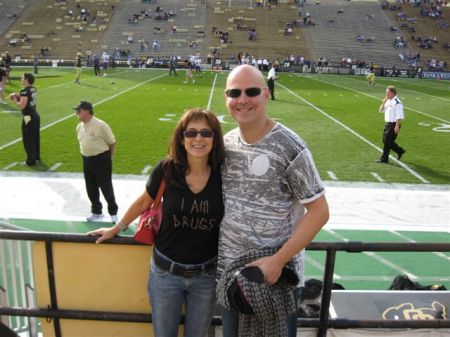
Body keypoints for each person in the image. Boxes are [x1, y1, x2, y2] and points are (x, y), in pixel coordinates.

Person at [87, 108, 225, 337]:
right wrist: (116, 228)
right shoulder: (167, 168)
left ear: (214, 138)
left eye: (205, 133)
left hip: (206, 276)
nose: (198, 138)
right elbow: (144, 202)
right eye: (191, 133)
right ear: (181, 138)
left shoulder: (224, 173)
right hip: (166, 274)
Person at [218, 65, 329, 337]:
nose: (243, 99)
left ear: (266, 94)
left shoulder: (290, 146)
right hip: (231, 277)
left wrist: (277, 261)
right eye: (235, 93)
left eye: (251, 91)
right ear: (226, 98)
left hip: (275, 279)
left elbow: (319, 211)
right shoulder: (226, 143)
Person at [74, 101, 119, 222]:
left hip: (101, 159)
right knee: (91, 187)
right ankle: (96, 211)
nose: (76, 113)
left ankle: (113, 212)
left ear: (87, 111)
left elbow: (112, 142)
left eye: (79, 111)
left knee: (106, 187)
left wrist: (108, 158)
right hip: (86, 159)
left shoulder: (100, 125)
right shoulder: (79, 127)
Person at [10, 73, 41, 166]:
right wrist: (17, 94)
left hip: (28, 117)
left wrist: (15, 100)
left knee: (28, 139)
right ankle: (36, 157)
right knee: (35, 138)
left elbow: (22, 106)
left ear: (26, 79)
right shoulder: (33, 88)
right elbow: (26, 96)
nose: (21, 79)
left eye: (22, 78)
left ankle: (30, 161)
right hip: (35, 116)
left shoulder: (25, 91)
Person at [377, 86, 405, 163]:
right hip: (388, 124)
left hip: (394, 124)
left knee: (387, 142)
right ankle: (400, 151)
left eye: (387, 92)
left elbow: (399, 115)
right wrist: (383, 102)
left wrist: (397, 126)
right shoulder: (388, 101)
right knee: (386, 141)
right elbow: (381, 110)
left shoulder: (397, 102)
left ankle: (384, 159)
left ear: (392, 93)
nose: (386, 94)